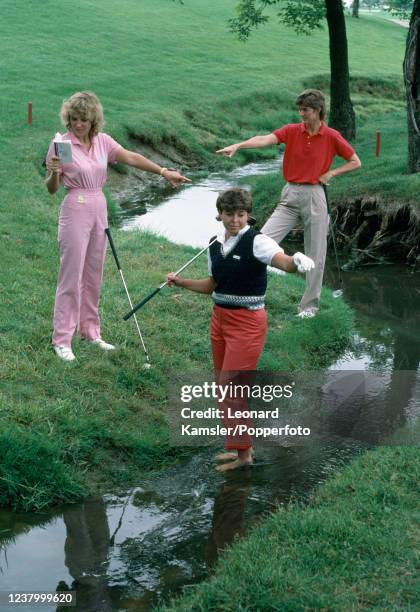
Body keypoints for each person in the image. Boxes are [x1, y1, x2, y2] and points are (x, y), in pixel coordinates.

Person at [167, 188, 314, 471]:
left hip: (247, 324)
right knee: (224, 389)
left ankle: (244, 456)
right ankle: (239, 446)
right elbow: (212, 286)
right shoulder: (214, 244)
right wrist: (182, 282)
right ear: (220, 214)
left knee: (230, 389)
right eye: (229, 214)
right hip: (219, 320)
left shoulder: (257, 241)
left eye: (241, 214)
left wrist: (295, 262)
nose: (235, 220)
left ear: (247, 215)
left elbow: (280, 260)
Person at [46, 91, 190, 362]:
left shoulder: (102, 141)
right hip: (74, 207)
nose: (78, 125)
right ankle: (62, 339)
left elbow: (131, 157)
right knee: (71, 276)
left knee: (93, 274)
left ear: (93, 120)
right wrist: (54, 171)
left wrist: (163, 171)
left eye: (84, 120)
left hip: (99, 207)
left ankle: (90, 332)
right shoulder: (61, 145)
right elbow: (52, 189)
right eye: (74, 119)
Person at [216, 89, 361, 318]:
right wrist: (239, 145)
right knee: (260, 241)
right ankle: (249, 292)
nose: (301, 113)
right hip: (290, 193)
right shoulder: (292, 131)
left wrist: (332, 173)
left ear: (318, 110)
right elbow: (265, 139)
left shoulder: (332, 136)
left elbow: (355, 161)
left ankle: (309, 307)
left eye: (306, 110)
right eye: (300, 109)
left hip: (315, 195)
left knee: (316, 254)